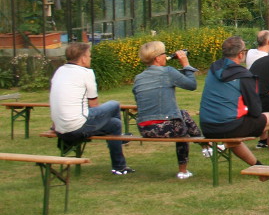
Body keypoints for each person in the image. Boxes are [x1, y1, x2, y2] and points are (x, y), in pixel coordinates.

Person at [199, 35, 269, 168]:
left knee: (235, 128)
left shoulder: (214, 68)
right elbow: (256, 111)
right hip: (228, 126)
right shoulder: (244, 76)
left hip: (207, 127)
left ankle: (258, 167)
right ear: (240, 54)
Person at [49, 42, 132, 175]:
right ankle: (119, 141)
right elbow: (94, 105)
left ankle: (120, 166)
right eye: (89, 56)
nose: (90, 58)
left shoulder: (59, 71)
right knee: (114, 105)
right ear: (83, 58)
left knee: (114, 124)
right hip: (76, 126)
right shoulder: (86, 73)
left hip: (60, 128)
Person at [132, 40, 203, 179]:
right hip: (165, 128)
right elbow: (192, 85)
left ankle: (206, 147)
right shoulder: (168, 72)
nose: (166, 56)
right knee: (181, 118)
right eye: (164, 53)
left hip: (145, 129)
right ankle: (185, 168)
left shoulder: (138, 78)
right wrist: (185, 64)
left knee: (180, 116)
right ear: (158, 58)